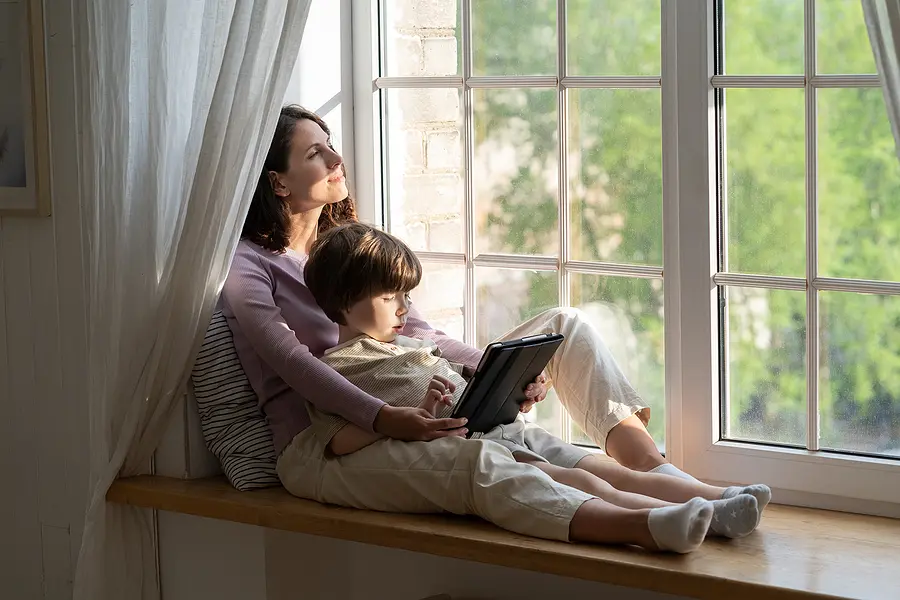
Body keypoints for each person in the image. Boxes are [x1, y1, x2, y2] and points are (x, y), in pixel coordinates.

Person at [221, 104, 771, 552]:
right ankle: (650, 518)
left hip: (415, 398)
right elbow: (292, 362)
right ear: (278, 182)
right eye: (317, 153)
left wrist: (497, 373)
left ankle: (673, 480)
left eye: (331, 143)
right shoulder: (249, 265)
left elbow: (420, 333)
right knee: (493, 458)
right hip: (334, 435)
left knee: (565, 325)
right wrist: (386, 420)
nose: (338, 158)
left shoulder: (349, 242)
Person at [301, 221, 765, 545]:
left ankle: (715, 500)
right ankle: (654, 521)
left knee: (588, 470)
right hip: (474, 447)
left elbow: (454, 373)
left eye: (406, 295)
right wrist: (405, 420)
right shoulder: (338, 368)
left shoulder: (407, 346)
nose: (404, 307)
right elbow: (338, 439)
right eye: (390, 297)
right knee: (575, 478)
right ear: (342, 302)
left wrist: (512, 383)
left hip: (495, 430)